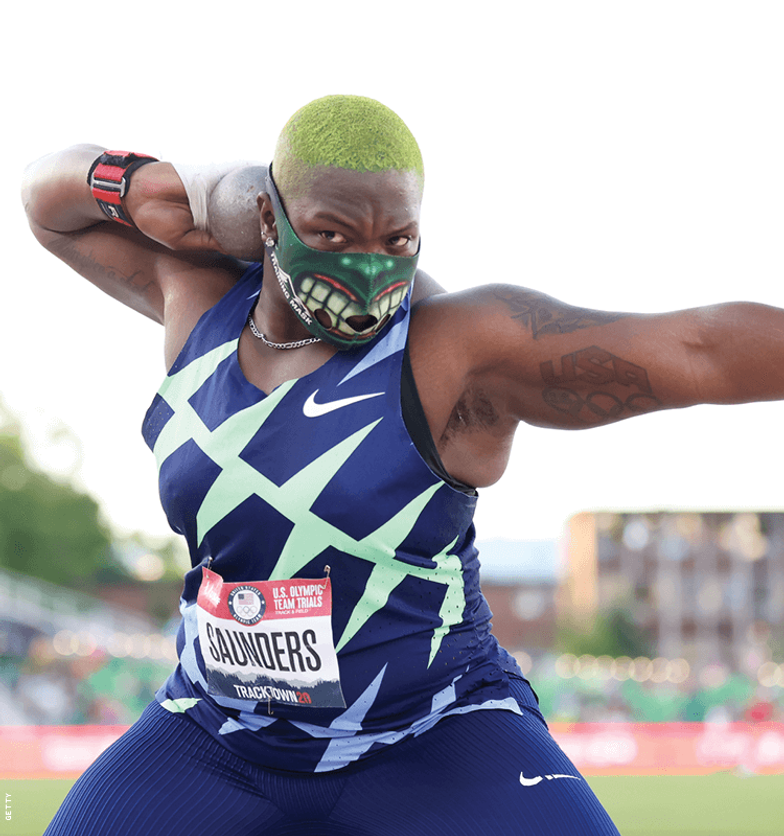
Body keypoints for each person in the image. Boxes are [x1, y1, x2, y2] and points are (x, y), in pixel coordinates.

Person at [21, 94, 784, 835]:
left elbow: (700, 349)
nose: (367, 268)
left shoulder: (458, 349)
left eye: (398, 240)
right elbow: (46, 200)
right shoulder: (196, 306)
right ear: (266, 215)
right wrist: (152, 185)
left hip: (433, 734)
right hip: (218, 734)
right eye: (332, 232)